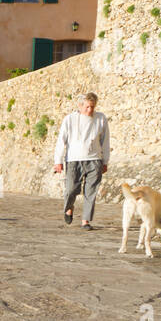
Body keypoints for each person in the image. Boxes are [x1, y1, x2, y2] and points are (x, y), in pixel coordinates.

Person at [53, 92, 110, 230]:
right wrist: (58, 160)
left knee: (91, 191)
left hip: (94, 159)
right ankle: (69, 207)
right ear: (80, 105)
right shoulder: (70, 119)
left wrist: (105, 161)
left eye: (92, 107)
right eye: (87, 107)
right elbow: (61, 140)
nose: (90, 110)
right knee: (71, 189)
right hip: (74, 159)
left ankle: (86, 220)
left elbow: (105, 141)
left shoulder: (101, 118)